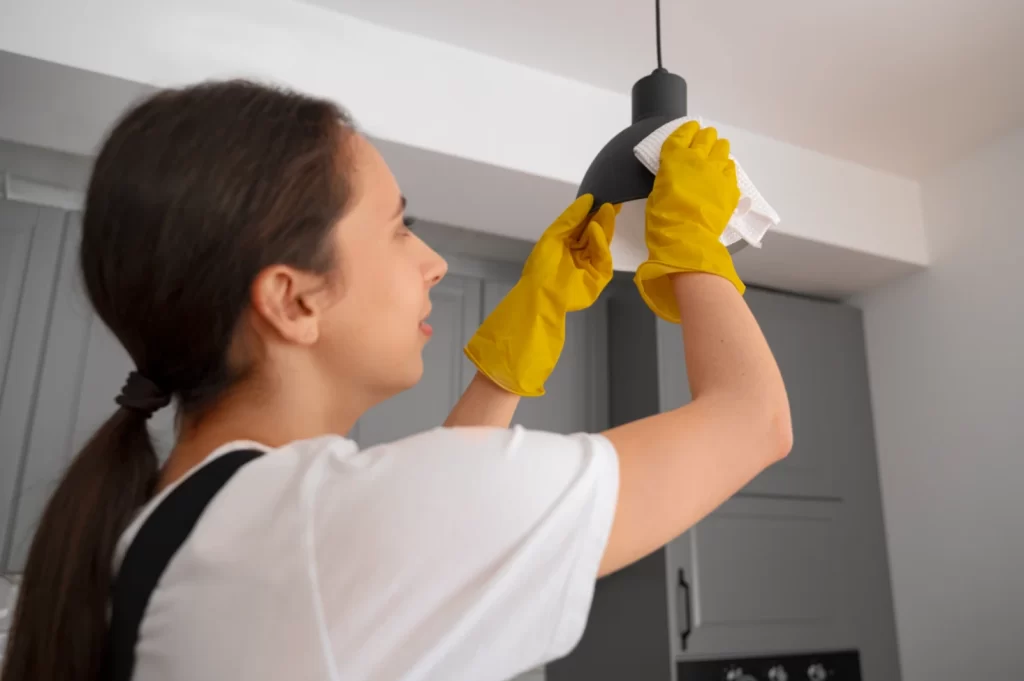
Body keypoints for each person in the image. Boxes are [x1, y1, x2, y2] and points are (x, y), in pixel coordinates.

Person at [0, 81, 790, 681]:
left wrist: (520, 336)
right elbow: (754, 420)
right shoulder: (314, 528)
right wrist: (689, 247)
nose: (432, 261)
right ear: (294, 298)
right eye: (399, 226)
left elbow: (414, 534)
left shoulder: (195, 524)